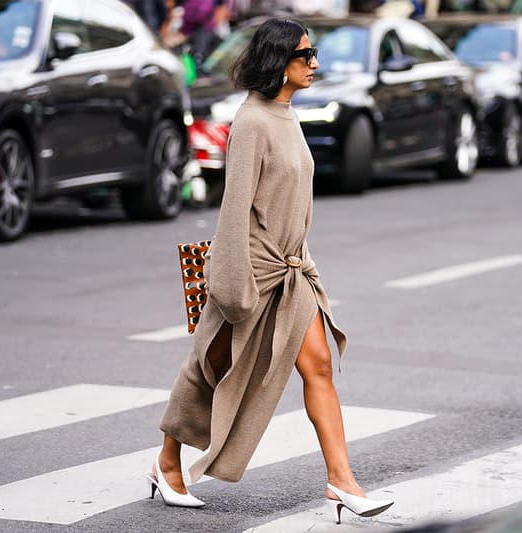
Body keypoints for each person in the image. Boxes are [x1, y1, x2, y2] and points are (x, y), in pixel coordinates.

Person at [146, 18, 394, 525]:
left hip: (291, 269)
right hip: (250, 269)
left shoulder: (286, 116)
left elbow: (291, 203)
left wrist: (308, 266)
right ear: (279, 61)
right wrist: (232, 284)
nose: (315, 64)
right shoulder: (253, 121)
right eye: (306, 55)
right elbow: (234, 209)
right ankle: (167, 462)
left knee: (319, 364)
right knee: (210, 365)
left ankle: (342, 482)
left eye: (313, 53)